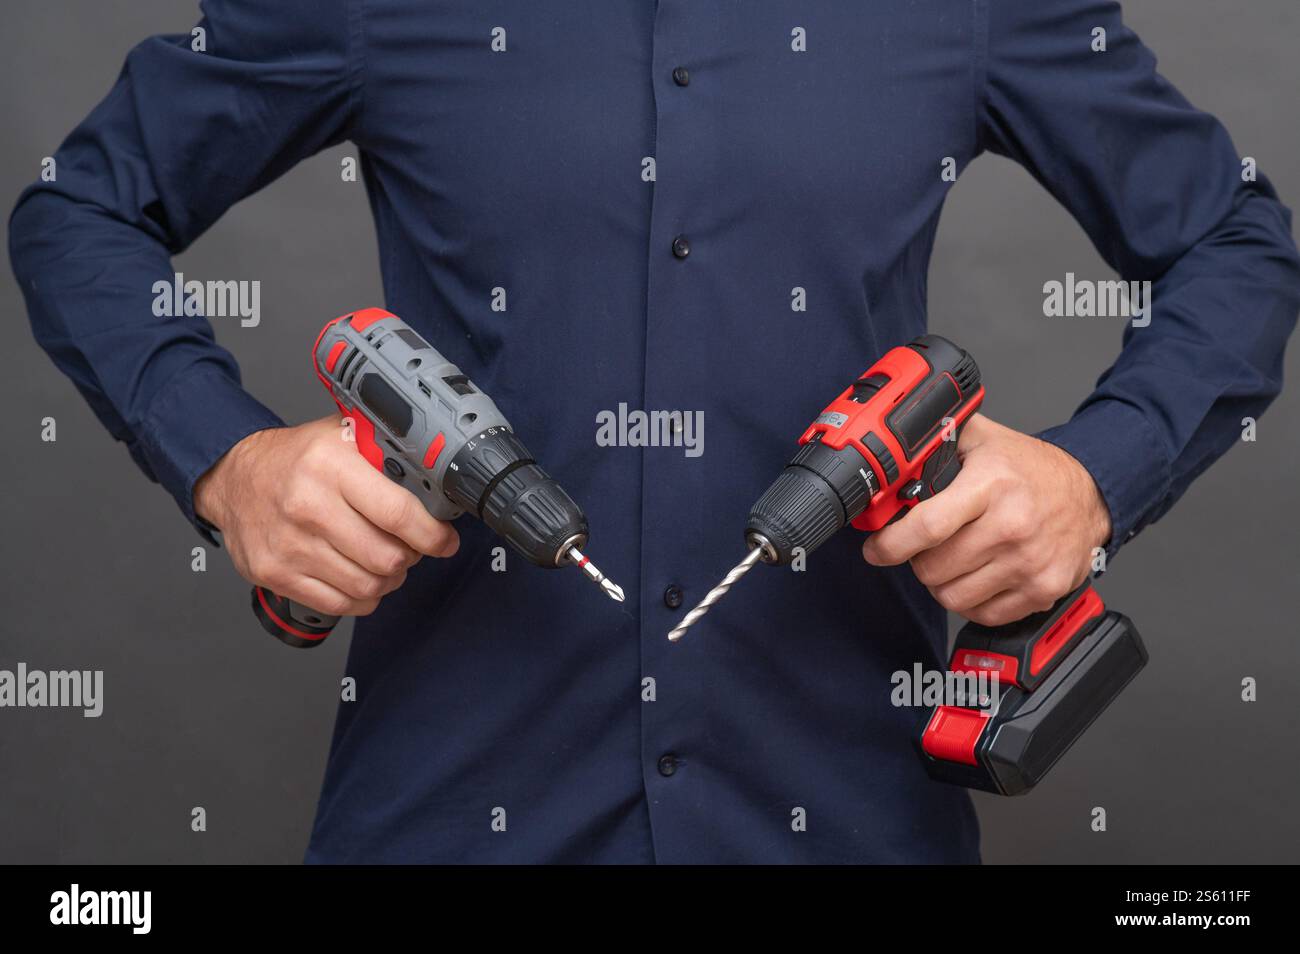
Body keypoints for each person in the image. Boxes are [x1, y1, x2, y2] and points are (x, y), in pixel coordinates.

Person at [11, 1, 1298, 863]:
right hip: (451, 812)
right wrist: (226, 460)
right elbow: (77, 211)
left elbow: (1235, 239)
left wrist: (1094, 476)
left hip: (846, 812)